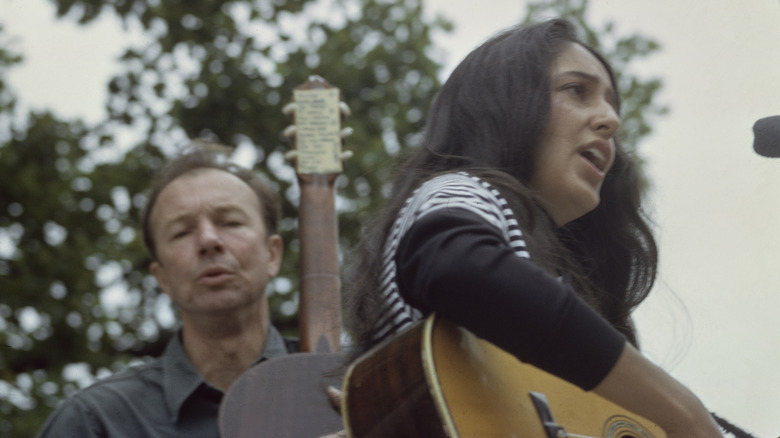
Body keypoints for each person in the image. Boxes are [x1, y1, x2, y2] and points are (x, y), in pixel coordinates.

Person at [342, 19, 726, 437]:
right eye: (577, 90)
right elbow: (455, 265)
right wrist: (682, 410)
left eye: (614, 105)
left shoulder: (557, 279)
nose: (610, 120)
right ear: (503, 103)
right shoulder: (464, 191)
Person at [38, 142, 290, 437]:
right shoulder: (95, 422)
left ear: (272, 255)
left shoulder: (345, 391)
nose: (208, 240)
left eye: (230, 222)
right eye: (182, 232)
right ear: (162, 278)